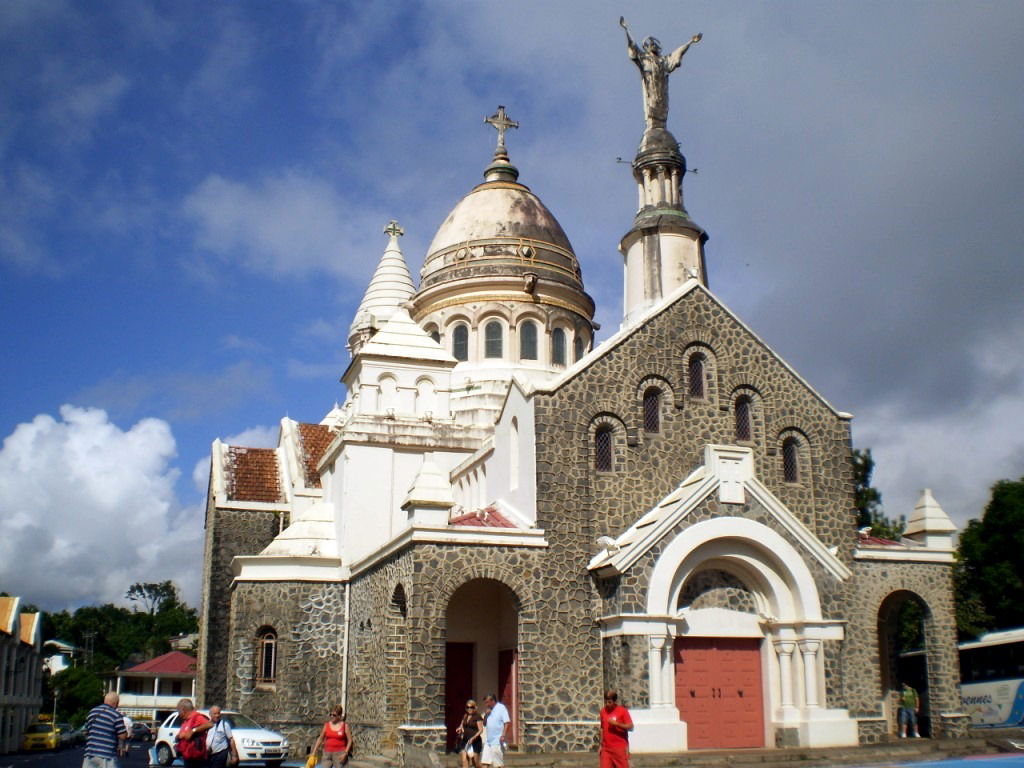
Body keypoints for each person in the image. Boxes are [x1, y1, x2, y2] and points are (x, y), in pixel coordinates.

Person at [619, 16, 702, 131]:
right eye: (650, 44)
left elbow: (677, 52)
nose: (653, 46)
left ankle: (660, 126)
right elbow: (632, 46)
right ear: (647, 47)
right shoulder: (644, 59)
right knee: (652, 105)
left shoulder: (663, 61)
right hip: (650, 87)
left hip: (661, 87)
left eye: (654, 44)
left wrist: (690, 42)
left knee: (662, 105)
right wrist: (626, 30)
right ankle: (652, 125)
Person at [83, 691, 128, 768]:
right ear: (115, 703)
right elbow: (122, 736)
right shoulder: (116, 715)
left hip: (90, 754)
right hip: (107, 755)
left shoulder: (92, 712)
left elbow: (85, 731)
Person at [599, 690, 633, 768]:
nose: (607, 704)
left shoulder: (622, 711)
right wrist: (600, 745)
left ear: (614, 701)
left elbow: (630, 727)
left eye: (610, 702)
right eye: (606, 702)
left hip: (619, 748)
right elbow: (602, 728)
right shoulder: (603, 711)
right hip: (606, 748)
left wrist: (617, 724)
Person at [175, 698, 213, 768]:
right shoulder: (186, 721)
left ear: (183, 710)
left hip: (197, 758)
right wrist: (179, 736)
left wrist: (193, 731)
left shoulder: (197, 717)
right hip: (188, 757)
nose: (178, 714)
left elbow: (210, 724)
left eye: (178, 711)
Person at [481, 694, 510, 768]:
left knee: (498, 764)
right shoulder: (489, 710)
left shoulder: (501, 708)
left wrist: (503, 735)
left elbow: (507, 722)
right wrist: (486, 715)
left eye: (487, 702)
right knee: (484, 763)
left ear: (493, 701)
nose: (486, 704)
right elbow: (484, 724)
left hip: (497, 740)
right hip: (488, 740)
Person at [455, 699, 484, 768]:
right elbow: (462, 725)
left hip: (475, 741)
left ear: (474, 708)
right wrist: (459, 728)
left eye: (471, 707)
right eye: (467, 707)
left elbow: (480, 730)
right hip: (465, 740)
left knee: (475, 762)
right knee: (464, 759)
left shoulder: (477, 716)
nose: (469, 709)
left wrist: (473, 738)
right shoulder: (465, 716)